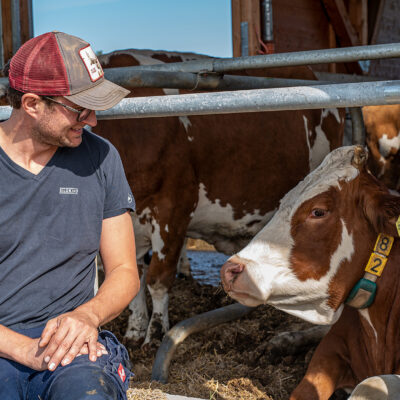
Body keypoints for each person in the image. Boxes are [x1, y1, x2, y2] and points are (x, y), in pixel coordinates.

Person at [0, 31, 140, 399]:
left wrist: (87, 317)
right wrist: (22, 349)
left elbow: (125, 271)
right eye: (80, 109)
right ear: (31, 103)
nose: (92, 120)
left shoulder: (101, 159)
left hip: (74, 351)